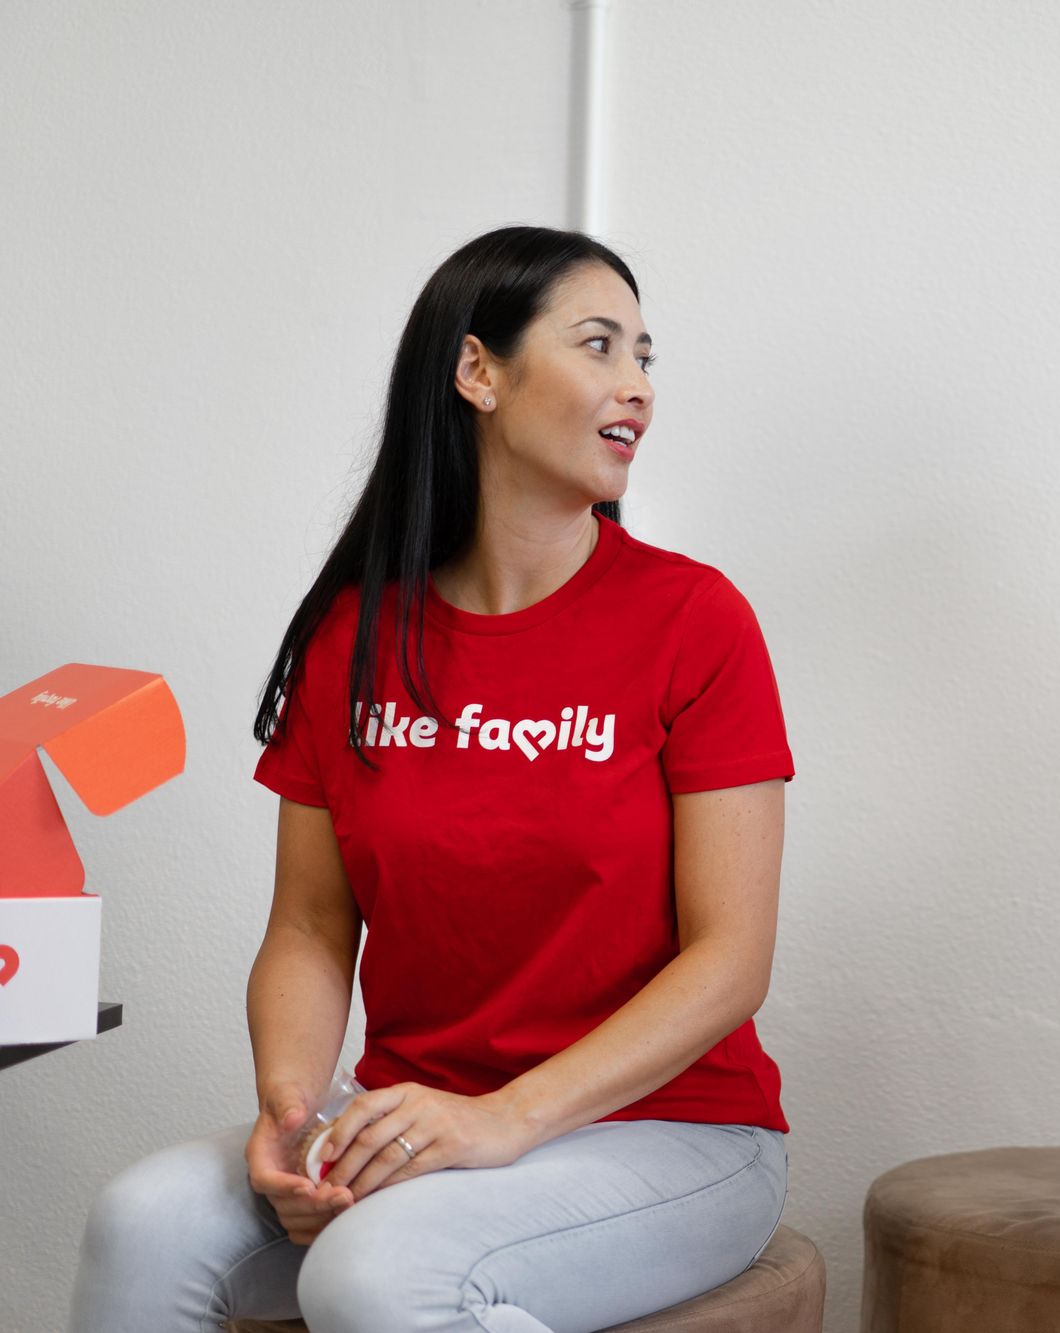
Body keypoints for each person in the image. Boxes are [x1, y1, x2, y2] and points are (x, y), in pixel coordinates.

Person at [72, 227, 796, 1333]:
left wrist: (505, 1119)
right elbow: (311, 927)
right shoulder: (355, 636)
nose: (637, 387)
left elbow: (730, 962)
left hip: (671, 1130)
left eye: (646, 356)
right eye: (599, 346)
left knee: (378, 1274)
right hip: (422, 1116)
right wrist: (291, 1109)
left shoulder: (694, 621)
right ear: (478, 372)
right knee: (145, 1218)